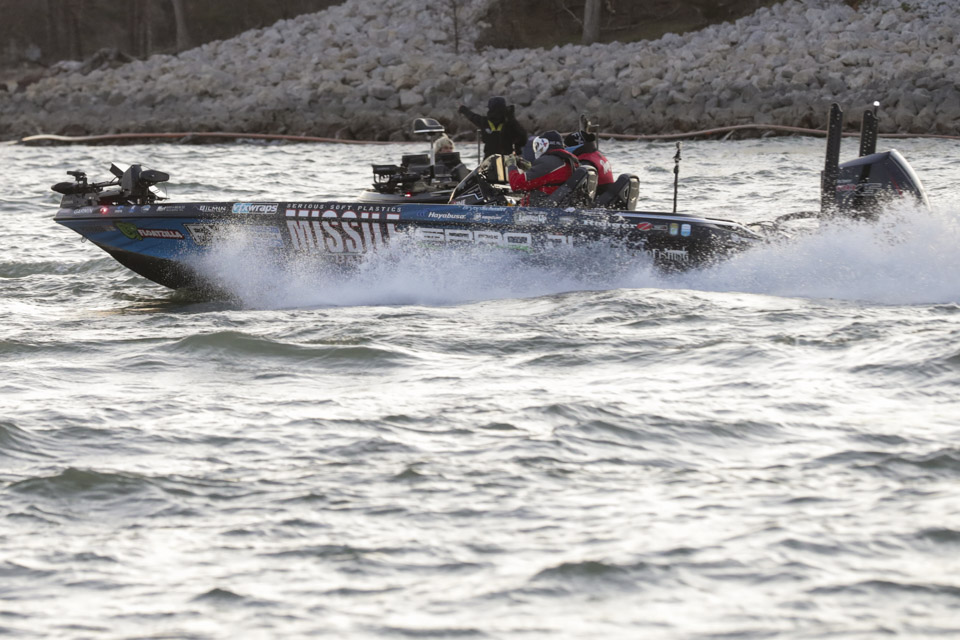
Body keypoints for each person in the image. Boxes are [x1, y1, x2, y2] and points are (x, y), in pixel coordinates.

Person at [505, 130, 579, 206]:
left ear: (544, 145)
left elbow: (517, 185)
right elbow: (547, 176)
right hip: (556, 204)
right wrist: (529, 167)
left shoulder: (548, 162)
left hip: (539, 208)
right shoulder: (567, 160)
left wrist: (511, 165)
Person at [458, 96, 527, 158]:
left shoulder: (485, 122)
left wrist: (463, 109)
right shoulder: (510, 123)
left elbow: (472, 117)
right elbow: (523, 138)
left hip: (489, 160)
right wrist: (511, 117)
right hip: (507, 160)